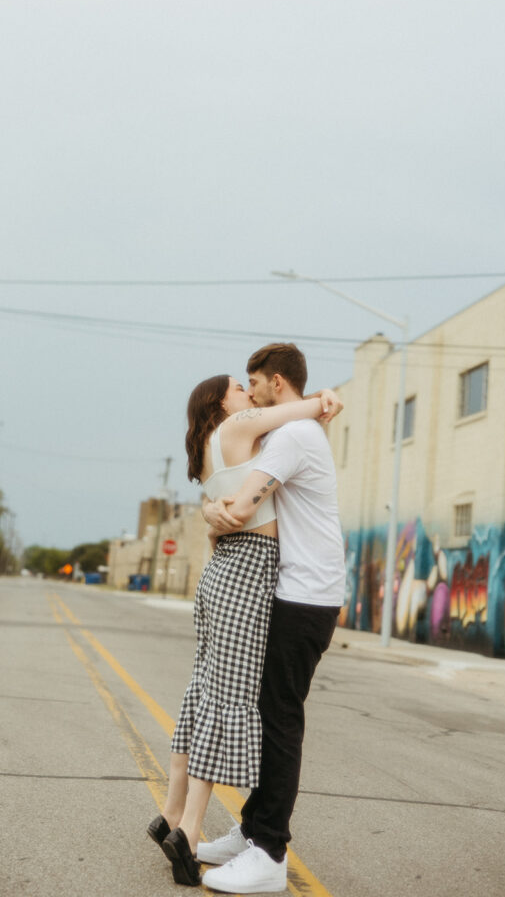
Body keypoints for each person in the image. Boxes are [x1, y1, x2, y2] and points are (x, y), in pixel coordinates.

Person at [147, 372, 342, 887]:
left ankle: (173, 813)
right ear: (220, 401)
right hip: (248, 571)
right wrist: (323, 399)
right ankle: (187, 830)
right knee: (229, 699)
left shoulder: (213, 445)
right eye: (238, 385)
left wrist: (213, 514)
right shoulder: (238, 427)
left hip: (223, 570)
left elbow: (220, 515)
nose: (247, 393)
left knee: (205, 690)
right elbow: (291, 413)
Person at [198, 343, 346, 895]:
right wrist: (218, 513)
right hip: (303, 591)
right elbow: (238, 507)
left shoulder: (293, 437)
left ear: (276, 382)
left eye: (254, 384)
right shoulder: (294, 430)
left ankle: (270, 854)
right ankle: (252, 831)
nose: (250, 394)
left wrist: (214, 515)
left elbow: (237, 509)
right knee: (271, 713)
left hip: (306, 596)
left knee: (281, 720)